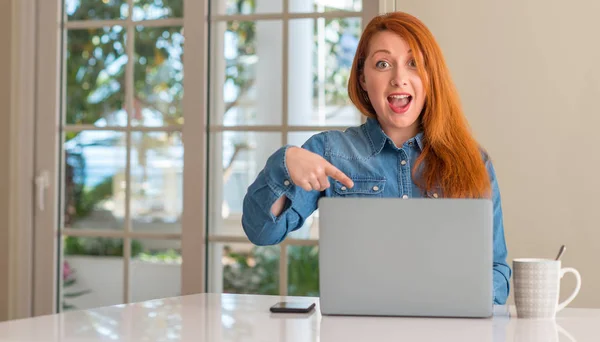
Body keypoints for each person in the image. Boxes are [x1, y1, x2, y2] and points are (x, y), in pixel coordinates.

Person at [241, 11, 511, 304]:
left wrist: (458, 297)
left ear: (431, 77)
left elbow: (497, 272)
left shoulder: (473, 161)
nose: (399, 79)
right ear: (363, 79)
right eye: (383, 64)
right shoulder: (329, 152)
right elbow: (262, 232)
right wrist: (285, 163)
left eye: (413, 64)